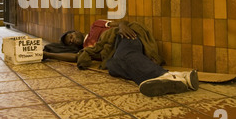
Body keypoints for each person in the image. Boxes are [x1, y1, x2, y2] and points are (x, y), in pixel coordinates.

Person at [43, 20, 199, 97]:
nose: (72, 39)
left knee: (123, 56)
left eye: (70, 35)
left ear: (75, 31)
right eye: (69, 42)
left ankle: (168, 76)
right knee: (113, 66)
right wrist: (48, 55)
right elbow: (76, 58)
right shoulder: (87, 49)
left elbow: (118, 22)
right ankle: (179, 79)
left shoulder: (96, 26)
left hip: (125, 36)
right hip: (117, 53)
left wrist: (123, 26)